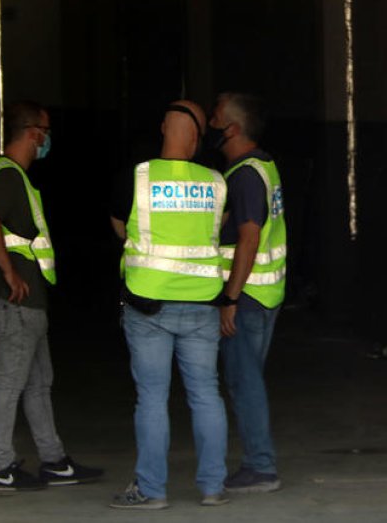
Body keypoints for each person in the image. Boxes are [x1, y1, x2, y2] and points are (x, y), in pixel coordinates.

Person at [0, 100, 103, 491]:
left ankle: (54, 461)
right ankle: (1, 466)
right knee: (12, 383)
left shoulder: (2, 175)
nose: (47, 139)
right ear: (33, 133)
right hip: (15, 302)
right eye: (45, 131)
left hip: (25, 302)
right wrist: (8, 272)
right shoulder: (9, 176)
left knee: (38, 382)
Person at [108, 100, 233, 510]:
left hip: (148, 306)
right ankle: (213, 487)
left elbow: (120, 228)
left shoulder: (138, 176)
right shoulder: (217, 182)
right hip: (201, 305)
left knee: (152, 398)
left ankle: (152, 491)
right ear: (196, 140)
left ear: (164, 127)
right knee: (205, 394)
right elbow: (220, 228)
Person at [206, 92, 286, 493]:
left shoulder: (243, 175)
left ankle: (260, 465)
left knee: (243, 380)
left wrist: (230, 298)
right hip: (265, 293)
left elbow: (249, 239)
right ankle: (259, 462)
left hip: (249, 297)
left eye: (216, 118)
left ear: (232, 129)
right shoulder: (263, 165)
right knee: (246, 377)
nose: (210, 124)